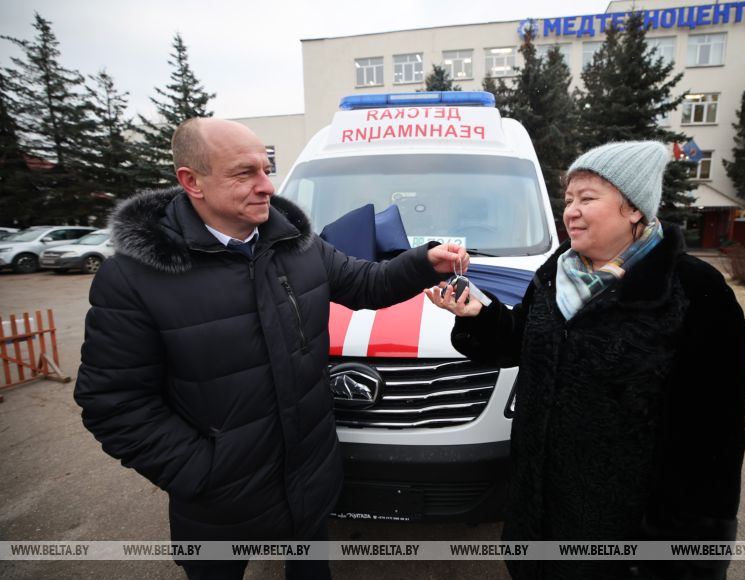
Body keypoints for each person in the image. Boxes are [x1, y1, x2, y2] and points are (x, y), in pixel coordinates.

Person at [74, 117, 468, 580]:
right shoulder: (134, 277)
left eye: (266, 169)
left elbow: (366, 284)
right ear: (191, 182)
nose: (267, 186)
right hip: (220, 507)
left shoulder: (297, 245)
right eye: (245, 173)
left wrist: (423, 262)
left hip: (310, 483)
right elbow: (113, 404)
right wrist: (204, 473)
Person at [426, 141, 745, 579]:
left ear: (633, 209)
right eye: (569, 199)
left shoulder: (694, 292)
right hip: (538, 523)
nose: (570, 211)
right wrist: (479, 316)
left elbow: (713, 445)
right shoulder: (556, 272)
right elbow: (524, 341)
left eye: (588, 198)